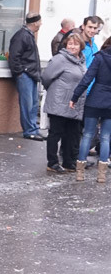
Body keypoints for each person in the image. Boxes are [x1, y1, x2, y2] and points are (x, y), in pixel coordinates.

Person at [41, 31, 85, 174]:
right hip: (59, 102)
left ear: (80, 46)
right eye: (70, 43)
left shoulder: (81, 61)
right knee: (56, 133)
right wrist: (58, 92)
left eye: (76, 44)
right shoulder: (60, 59)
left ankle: (68, 162)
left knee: (72, 134)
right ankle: (52, 163)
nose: (73, 46)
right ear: (66, 44)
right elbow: (46, 77)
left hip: (74, 104)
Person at [71, 35, 111, 184]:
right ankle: (101, 175)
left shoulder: (99, 58)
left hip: (94, 100)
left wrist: (74, 97)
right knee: (106, 137)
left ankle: (80, 173)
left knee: (87, 135)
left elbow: (87, 79)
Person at [7, 13, 44, 140]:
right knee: (27, 104)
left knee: (33, 104)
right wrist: (21, 72)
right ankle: (29, 131)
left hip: (30, 74)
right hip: (26, 75)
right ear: (35, 23)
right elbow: (14, 57)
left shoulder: (27, 35)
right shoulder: (22, 36)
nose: (41, 24)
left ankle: (33, 128)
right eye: (40, 21)